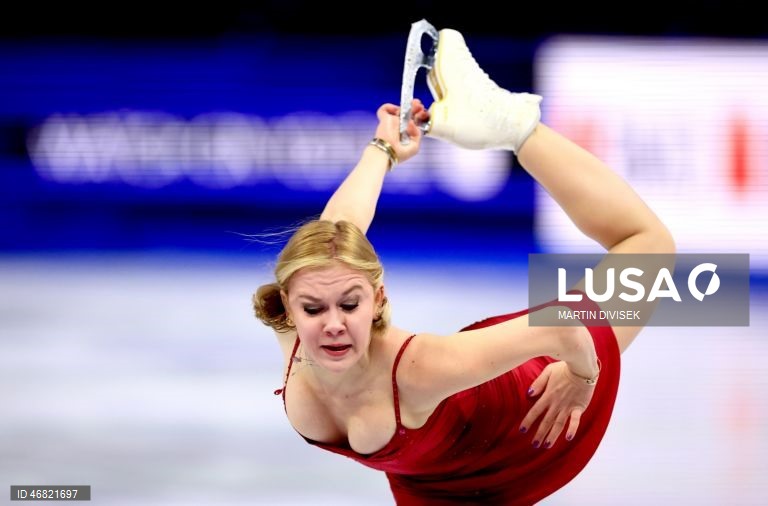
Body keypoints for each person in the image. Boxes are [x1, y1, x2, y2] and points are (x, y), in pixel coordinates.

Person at [253, 28, 674, 505]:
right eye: (313, 309)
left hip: (529, 416)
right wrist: (383, 148)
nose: (333, 325)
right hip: (432, 480)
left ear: (379, 298)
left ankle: (513, 124)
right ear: (289, 303)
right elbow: (337, 231)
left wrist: (580, 378)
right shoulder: (304, 305)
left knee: (649, 247)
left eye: (349, 304)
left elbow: (561, 332)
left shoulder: (419, 367)